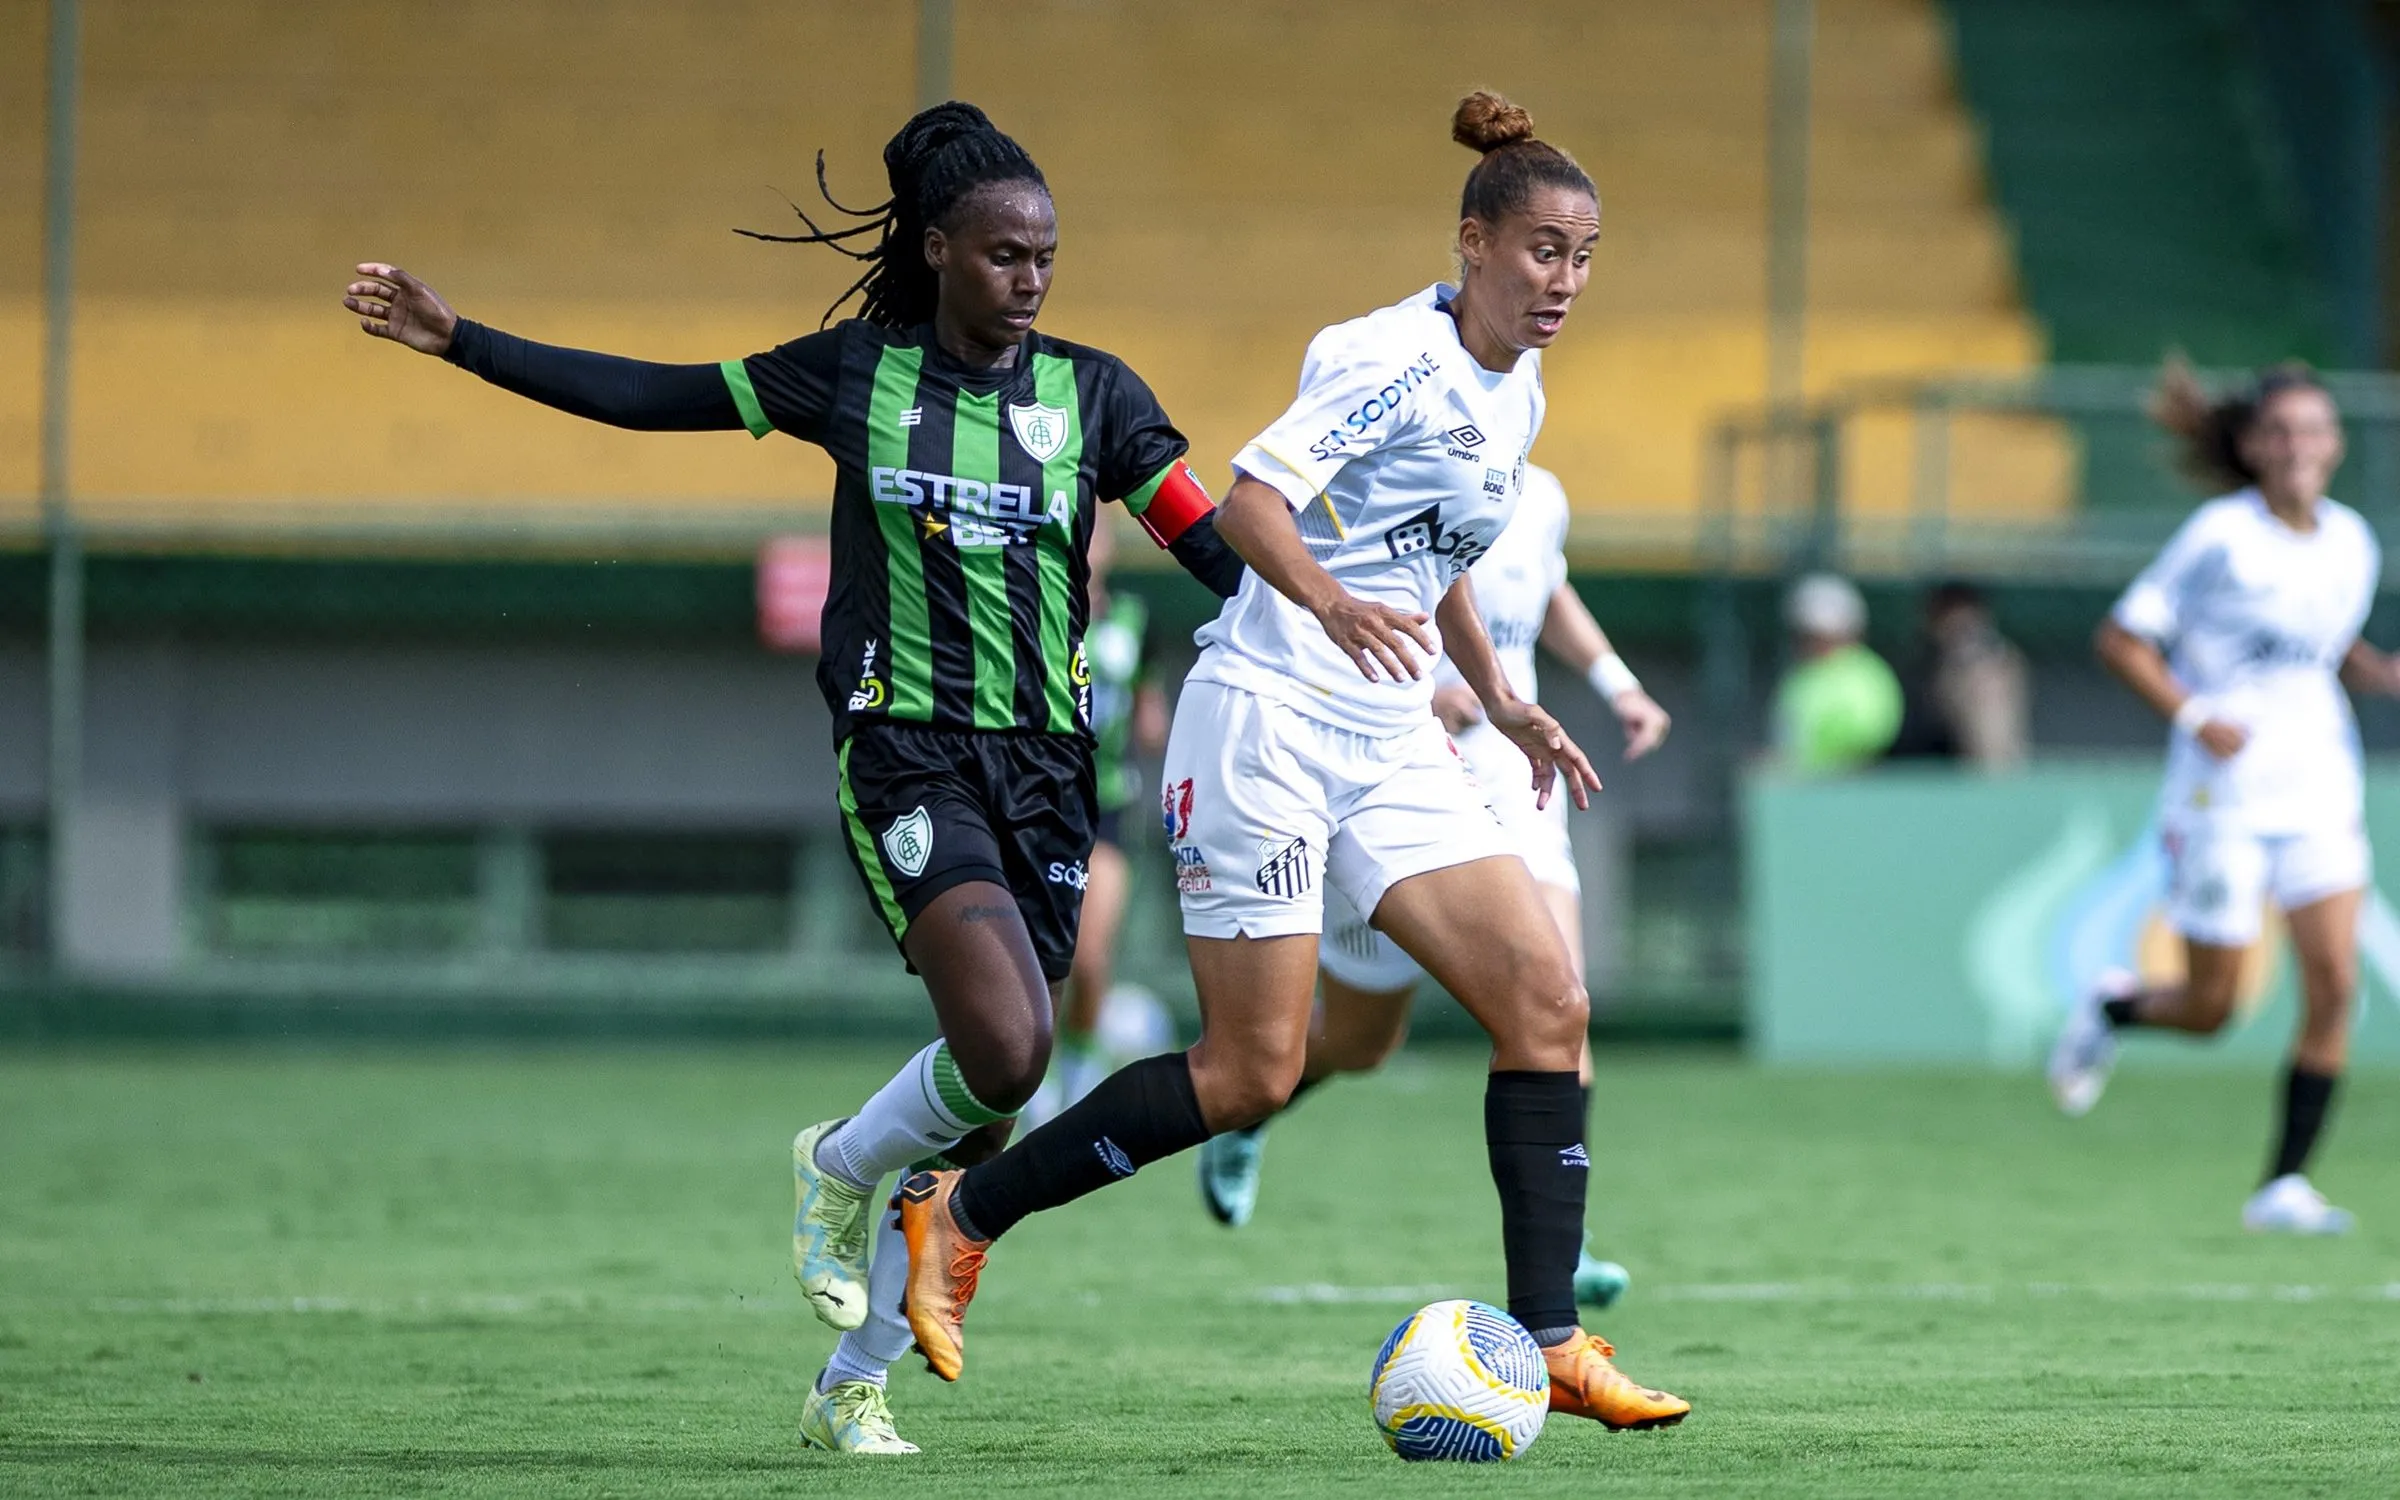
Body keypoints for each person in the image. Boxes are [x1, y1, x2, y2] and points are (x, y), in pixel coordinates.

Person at [341, 102, 1245, 1454]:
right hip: (907, 750)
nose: (1031, 279)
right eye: (1005, 254)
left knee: (989, 1109)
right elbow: (651, 395)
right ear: (938, 250)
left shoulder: (1097, 396)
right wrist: (461, 338)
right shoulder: (855, 377)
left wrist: (1348, 618)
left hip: (1051, 769)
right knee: (1010, 1048)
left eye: (1047, 256)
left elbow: (1212, 545)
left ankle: (851, 1382)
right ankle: (838, 1164)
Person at [891, 92, 1690, 1433]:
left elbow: (1436, 551)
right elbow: (1251, 503)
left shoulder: (1518, 385)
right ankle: (965, 1211)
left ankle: (1551, 1340)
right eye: (1544, 250)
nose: (1564, 280)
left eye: (1585, 255)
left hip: (1390, 733)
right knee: (1250, 1073)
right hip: (1264, 722)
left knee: (1549, 1004)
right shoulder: (1390, 358)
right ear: (1475, 244)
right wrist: (1329, 604)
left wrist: (1503, 698)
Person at [1192, 462, 1668, 1312]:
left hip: (1518, 777)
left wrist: (1616, 682)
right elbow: (1309, 587)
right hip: (1392, 770)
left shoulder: (1542, 492)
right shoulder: (1385, 476)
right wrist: (1428, 687)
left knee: (1559, 1000)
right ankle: (1252, 1114)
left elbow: (1548, 588)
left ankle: (1564, 1243)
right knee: (1358, 1042)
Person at [2050, 359, 2400, 1234]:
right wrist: (2196, 714)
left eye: (2313, 429)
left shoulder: (2353, 541)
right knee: (2213, 1009)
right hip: (2225, 798)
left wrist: (2375, 671)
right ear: (2251, 446)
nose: (2298, 446)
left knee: (2334, 987)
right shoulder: (2221, 535)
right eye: (2280, 431)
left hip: (2320, 786)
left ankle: (2282, 1187)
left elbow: (2321, 642)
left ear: (2335, 443)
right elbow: (2121, 640)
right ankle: (2115, 1006)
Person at [1024, 516, 1170, 1127]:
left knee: (1089, 959)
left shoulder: (1133, 620)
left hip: (1104, 806)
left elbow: (1151, 715)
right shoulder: (1030, 610)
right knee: (1032, 961)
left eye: (1096, 535)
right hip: (1032, 805)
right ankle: (1025, 1081)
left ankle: (1080, 1073)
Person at [1886, 581, 2030, 770]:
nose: (1958, 620)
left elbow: (1997, 760)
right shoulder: (1912, 675)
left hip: (1982, 775)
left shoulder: (1997, 667)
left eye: (1967, 609)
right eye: (1947, 610)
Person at [1775, 572, 1902, 774]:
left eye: (1821, 634)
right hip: (1804, 785)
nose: (1813, 643)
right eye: (1807, 634)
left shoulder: (1867, 676)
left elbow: (1867, 745)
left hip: (1849, 787)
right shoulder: (1800, 678)